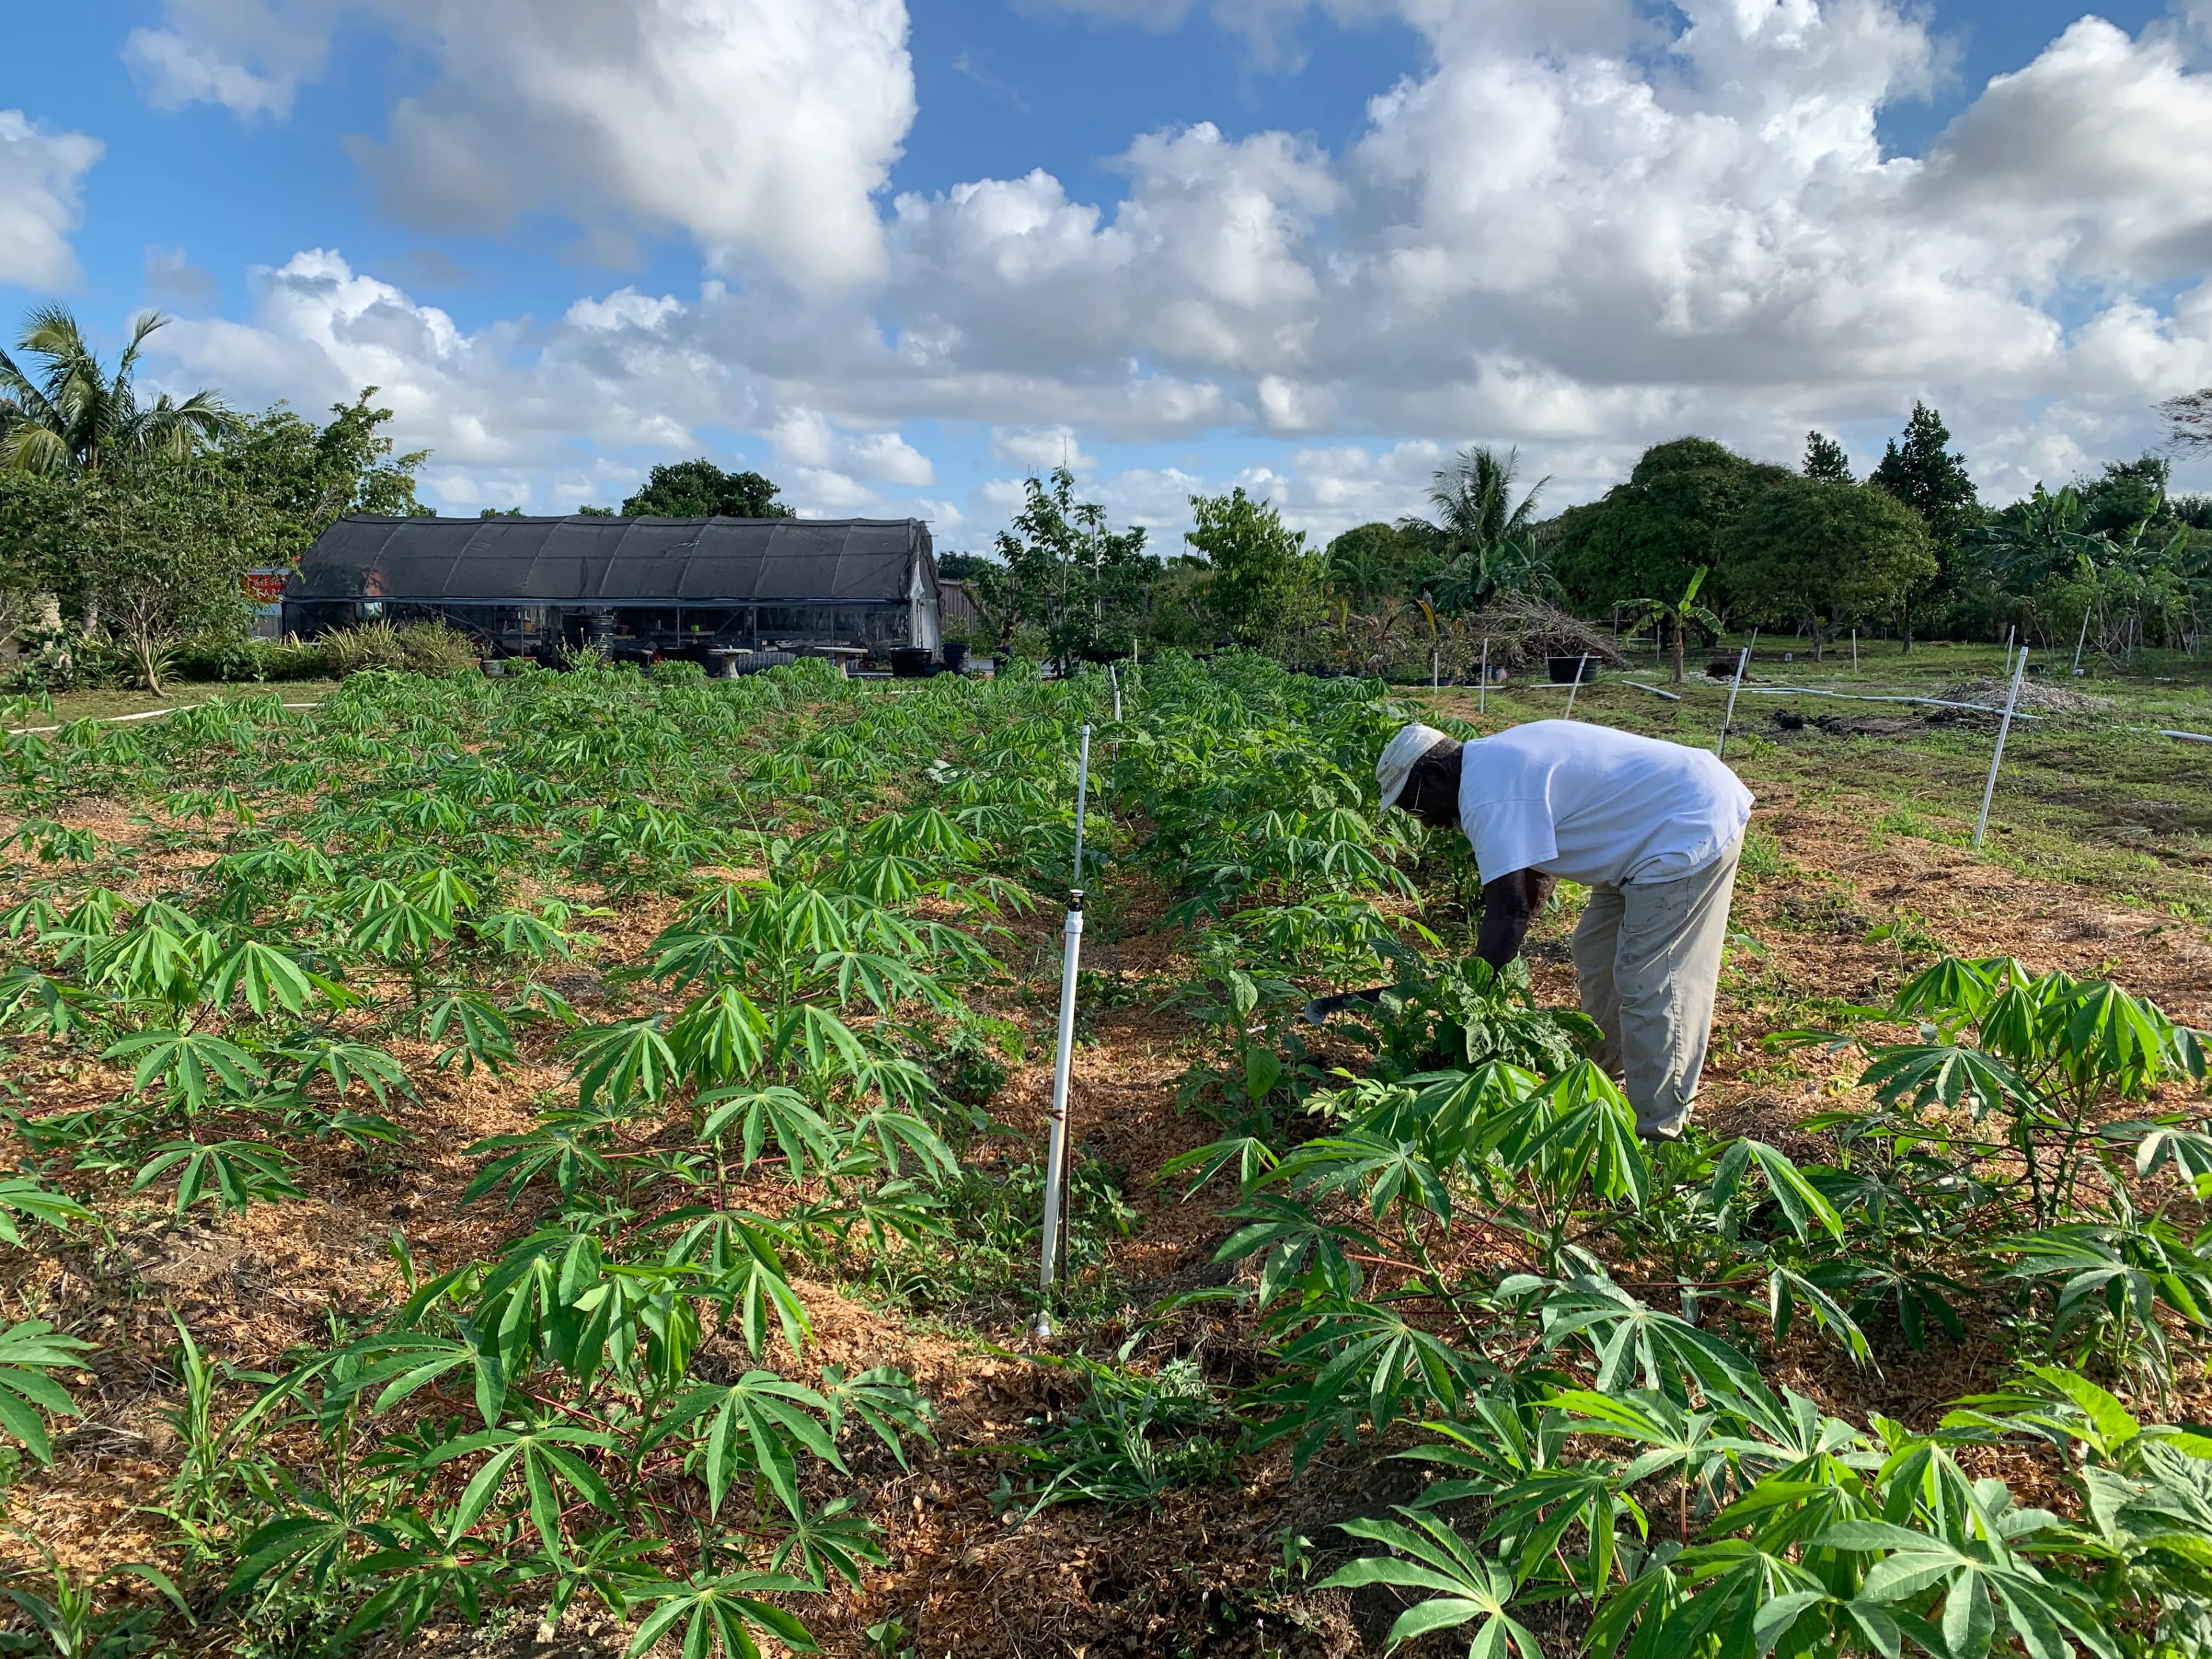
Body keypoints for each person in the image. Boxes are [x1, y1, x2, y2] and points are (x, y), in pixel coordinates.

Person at [1376, 719, 1753, 1140]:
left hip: (1686, 824)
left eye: (1415, 806)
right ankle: (1598, 1078)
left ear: (1436, 773)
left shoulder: (1486, 794)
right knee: (1596, 951)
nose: (1425, 822)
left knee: (1651, 979)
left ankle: (1659, 1127)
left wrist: (1472, 998)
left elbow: (1509, 910)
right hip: (1643, 833)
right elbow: (1535, 871)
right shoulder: (1493, 763)